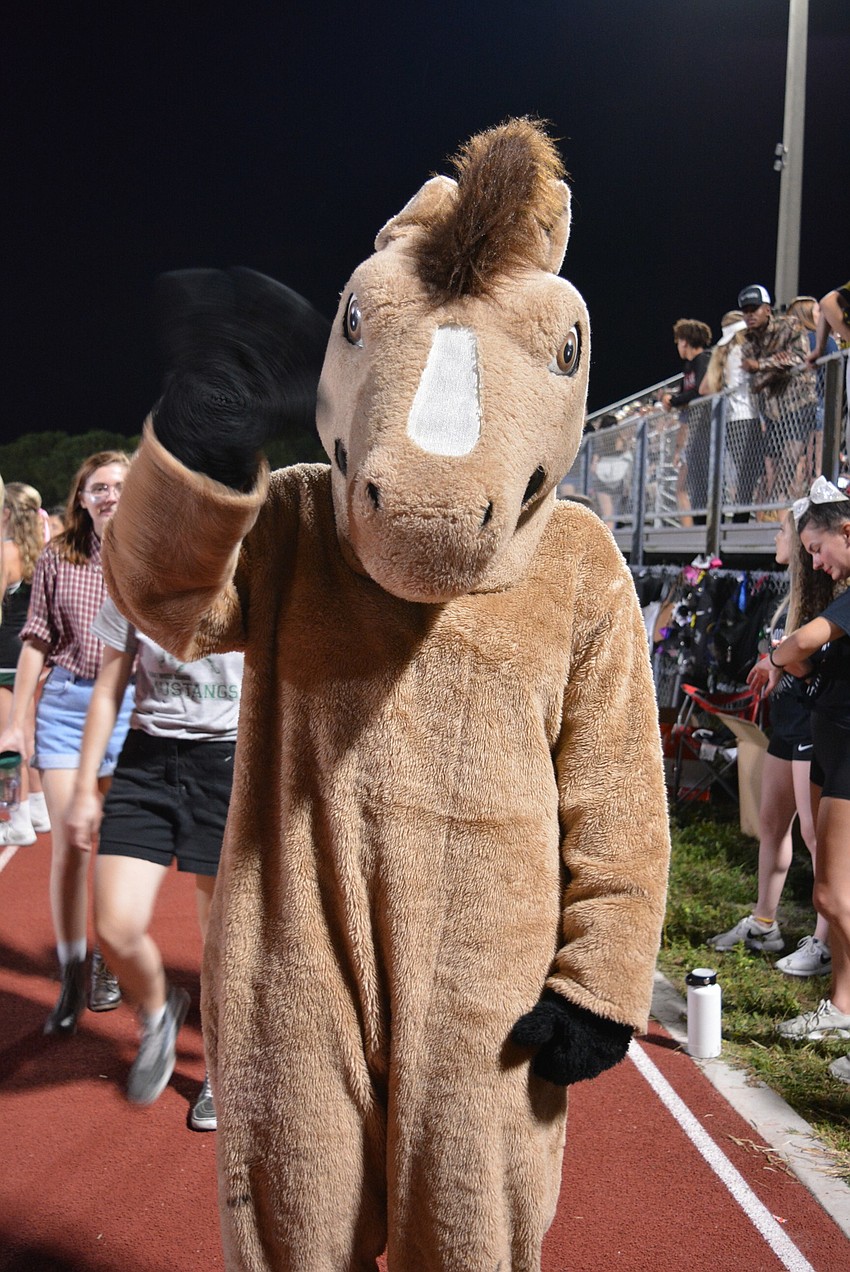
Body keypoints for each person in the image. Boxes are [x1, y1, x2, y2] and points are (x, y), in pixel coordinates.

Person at [66, 596, 243, 1126]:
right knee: (114, 928)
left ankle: (220, 1067)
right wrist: (82, 789)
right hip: (145, 762)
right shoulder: (135, 573)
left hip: (227, 761)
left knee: (220, 941)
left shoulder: (246, 565)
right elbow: (107, 689)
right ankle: (160, 1010)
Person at [0, 451, 134, 1035]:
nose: (108, 494)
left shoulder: (147, 555)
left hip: (130, 708)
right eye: (97, 487)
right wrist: (17, 720)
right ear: (81, 498)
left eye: (120, 486)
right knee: (69, 847)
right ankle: (73, 968)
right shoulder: (58, 557)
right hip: (64, 707)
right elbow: (36, 638)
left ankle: (106, 956)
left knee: (109, 845)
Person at [709, 510, 832, 973]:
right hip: (788, 719)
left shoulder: (826, 594)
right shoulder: (792, 595)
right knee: (772, 821)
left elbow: (809, 660)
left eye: (784, 531)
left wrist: (779, 660)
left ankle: (825, 940)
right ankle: (765, 922)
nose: (778, 538)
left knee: (816, 835)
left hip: (811, 723)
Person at [769, 478, 850, 1081]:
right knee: (830, 891)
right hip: (831, 744)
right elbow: (808, 657)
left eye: (818, 548)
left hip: (848, 756)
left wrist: (775, 655)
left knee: (833, 897)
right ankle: (843, 1007)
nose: (816, 563)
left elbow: (798, 644)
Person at [0, 483, 51, 844]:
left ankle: (16, 820)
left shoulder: (5, 552)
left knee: (8, 739)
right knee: (26, 733)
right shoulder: (39, 550)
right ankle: (37, 808)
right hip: (27, 652)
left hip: (3, 656)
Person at [739, 284, 817, 505]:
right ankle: (776, 513)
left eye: (754, 308)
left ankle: (783, 510)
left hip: (799, 403)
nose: (749, 315)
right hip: (773, 412)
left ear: (767, 309)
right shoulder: (748, 341)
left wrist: (761, 365)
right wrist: (773, 367)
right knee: (770, 467)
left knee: (791, 461)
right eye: (745, 311)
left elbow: (798, 358)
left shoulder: (789, 325)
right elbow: (754, 384)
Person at [699, 311, 762, 522]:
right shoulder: (741, 350)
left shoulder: (723, 352)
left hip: (732, 420)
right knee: (749, 474)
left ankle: (739, 516)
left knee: (744, 473)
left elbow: (706, 387)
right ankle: (740, 517)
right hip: (748, 416)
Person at [662, 319, 712, 522]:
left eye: (678, 342)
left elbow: (698, 391)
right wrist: (670, 399)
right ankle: (699, 522)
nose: (678, 347)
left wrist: (673, 400)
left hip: (707, 426)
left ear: (684, 341)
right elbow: (684, 393)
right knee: (694, 481)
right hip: (695, 428)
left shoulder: (703, 359)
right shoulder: (688, 366)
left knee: (702, 479)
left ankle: (704, 523)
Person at [786, 295, 838, 481]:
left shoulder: (787, 345)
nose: (822, 315)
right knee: (819, 470)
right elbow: (834, 375)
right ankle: (819, 508)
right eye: (818, 311)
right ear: (807, 314)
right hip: (819, 406)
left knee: (794, 468)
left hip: (790, 412)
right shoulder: (822, 340)